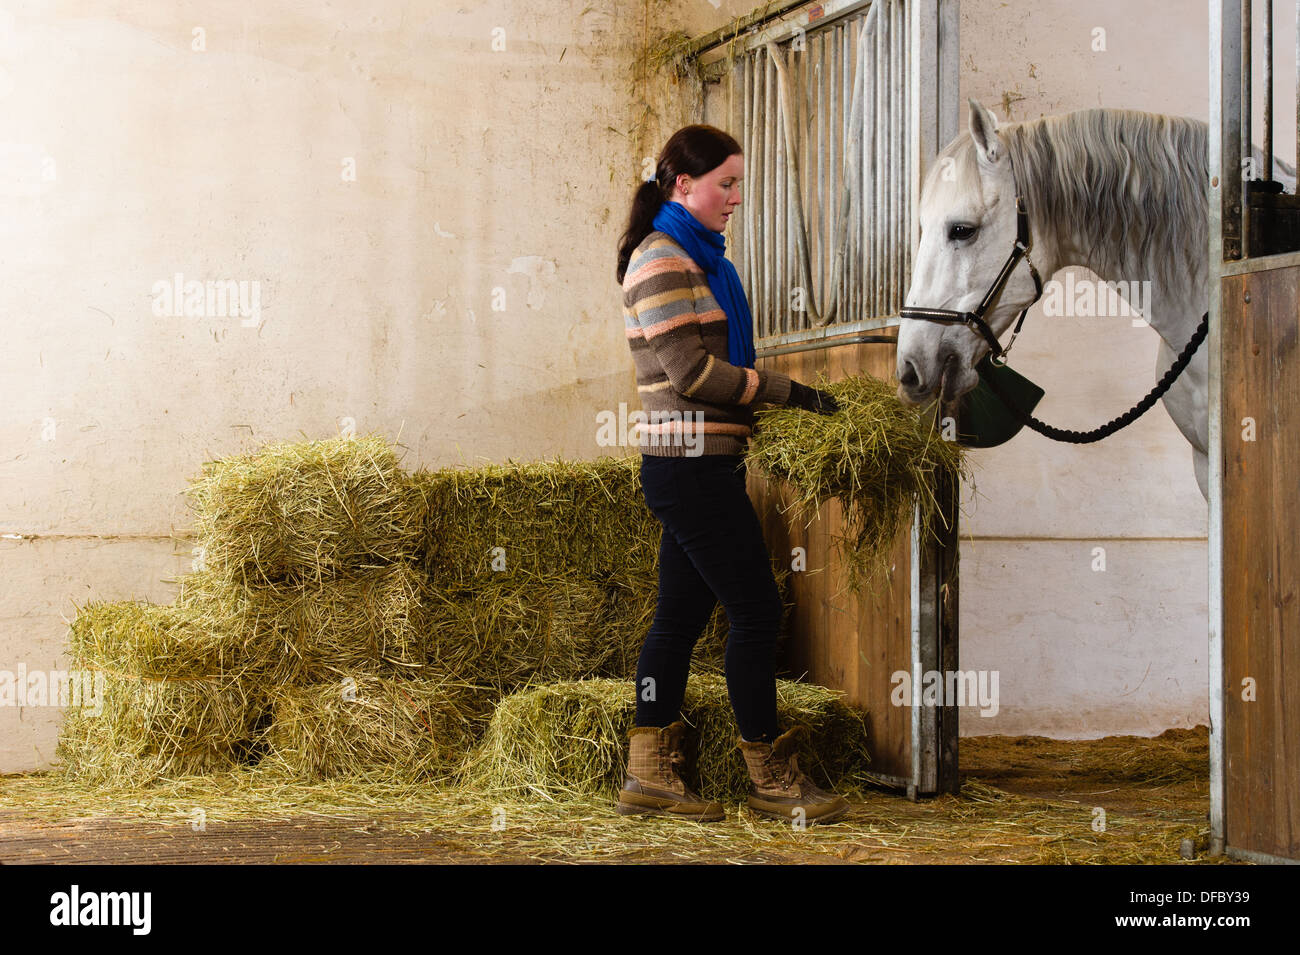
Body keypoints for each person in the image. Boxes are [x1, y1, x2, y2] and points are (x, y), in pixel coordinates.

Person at [614, 124, 848, 826]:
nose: (736, 197)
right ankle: (772, 779)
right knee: (755, 612)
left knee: (679, 620)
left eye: (739, 183)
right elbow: (691, 373)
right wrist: (787, 392)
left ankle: (649, 773)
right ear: (682, 184)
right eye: (727, 183)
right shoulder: (662, 260)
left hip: (704, 464)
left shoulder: (702, 260)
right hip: (688, 469)